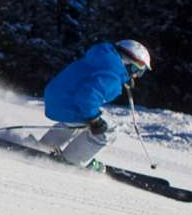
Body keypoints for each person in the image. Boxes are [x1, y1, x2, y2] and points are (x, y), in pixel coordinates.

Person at [36, 40, 151, 170]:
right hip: (69, 103)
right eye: (138, 70)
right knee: (108, 130)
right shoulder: (113, 75)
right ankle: (71, 160)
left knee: (81, 121)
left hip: (58, 97)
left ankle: (43, 146)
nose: (136, 75)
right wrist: (94, 120)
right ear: (129, 63)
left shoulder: (103, 58)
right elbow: (87, 97)